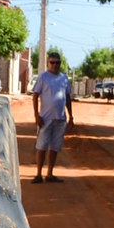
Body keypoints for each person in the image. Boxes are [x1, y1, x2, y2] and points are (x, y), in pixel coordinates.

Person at [30, 51, 73, 183]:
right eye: (52, 62)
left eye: (57, 62)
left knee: (55, 147)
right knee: (42, 146)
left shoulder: (64, 78)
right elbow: (35, 95)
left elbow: (67, 97)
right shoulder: (43, 77)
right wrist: (37, 115)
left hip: (60, 118)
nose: (55, 65)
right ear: (48, 63)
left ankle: (50, 174)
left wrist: (71, 116)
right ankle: (38, 174)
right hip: (45, 118)